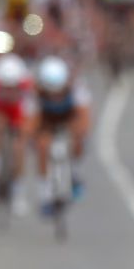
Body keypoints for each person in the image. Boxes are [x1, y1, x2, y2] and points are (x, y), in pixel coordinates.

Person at [31, 56, 90, 216]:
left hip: (68, 117)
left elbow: (83, 117)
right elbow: (30, 121)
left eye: (59, 91)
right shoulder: (35, 91)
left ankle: (75, 173)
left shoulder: (77, 89)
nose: (55, 95)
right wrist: (34, 136)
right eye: (51, 92)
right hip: (46, 120)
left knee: (78, 139)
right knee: (43, 146)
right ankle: (45, 194)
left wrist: (79, 134)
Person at [0, 54, 34, 216]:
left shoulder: (27, 86)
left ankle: (19, 194)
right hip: (0, 111)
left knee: (19, 150)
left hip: (18, 112)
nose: (9, 90)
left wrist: (25, 135)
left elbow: (30, 116)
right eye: (6, 86)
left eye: (13, 86)